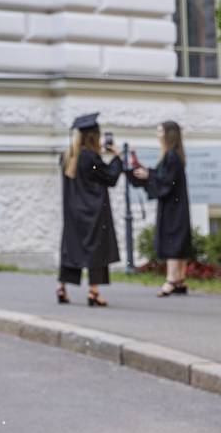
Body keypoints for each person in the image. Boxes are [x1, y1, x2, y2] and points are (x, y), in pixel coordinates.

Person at [58, 113, 122, 306]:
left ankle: (62, 287)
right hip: (93, 211)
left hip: (73, 212)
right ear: (95, 137)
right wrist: (117, 157)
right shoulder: (91, 157)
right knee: (97, 250)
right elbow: (109, 178)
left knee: (71, 248)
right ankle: (93, 292)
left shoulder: (67, 156)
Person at [130, 121, 192, 296]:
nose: (157, 134)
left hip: (173, 207)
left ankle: (171, 280)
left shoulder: (171, 156)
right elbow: (162, 176)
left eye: (160, 131)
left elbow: (166, 181)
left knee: (173, 239)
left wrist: (149, 174)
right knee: (178, 239)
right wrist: (148, 173)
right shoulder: (173, 155)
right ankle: (179, 279)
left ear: (168, 134)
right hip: (176, 205)